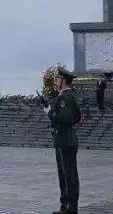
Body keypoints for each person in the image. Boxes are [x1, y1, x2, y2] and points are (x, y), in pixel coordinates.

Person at [46, 67, 81, 214]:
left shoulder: (64, 97)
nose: (56, 81)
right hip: (68, 139)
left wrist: (50, 112)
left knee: (66, 175)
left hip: (64, 139)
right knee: (70, 174)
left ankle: (68, 206)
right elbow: (77, 117)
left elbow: (65, 118)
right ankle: (70, 206)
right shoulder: (70, 96)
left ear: (64, 80)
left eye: (58, 79)